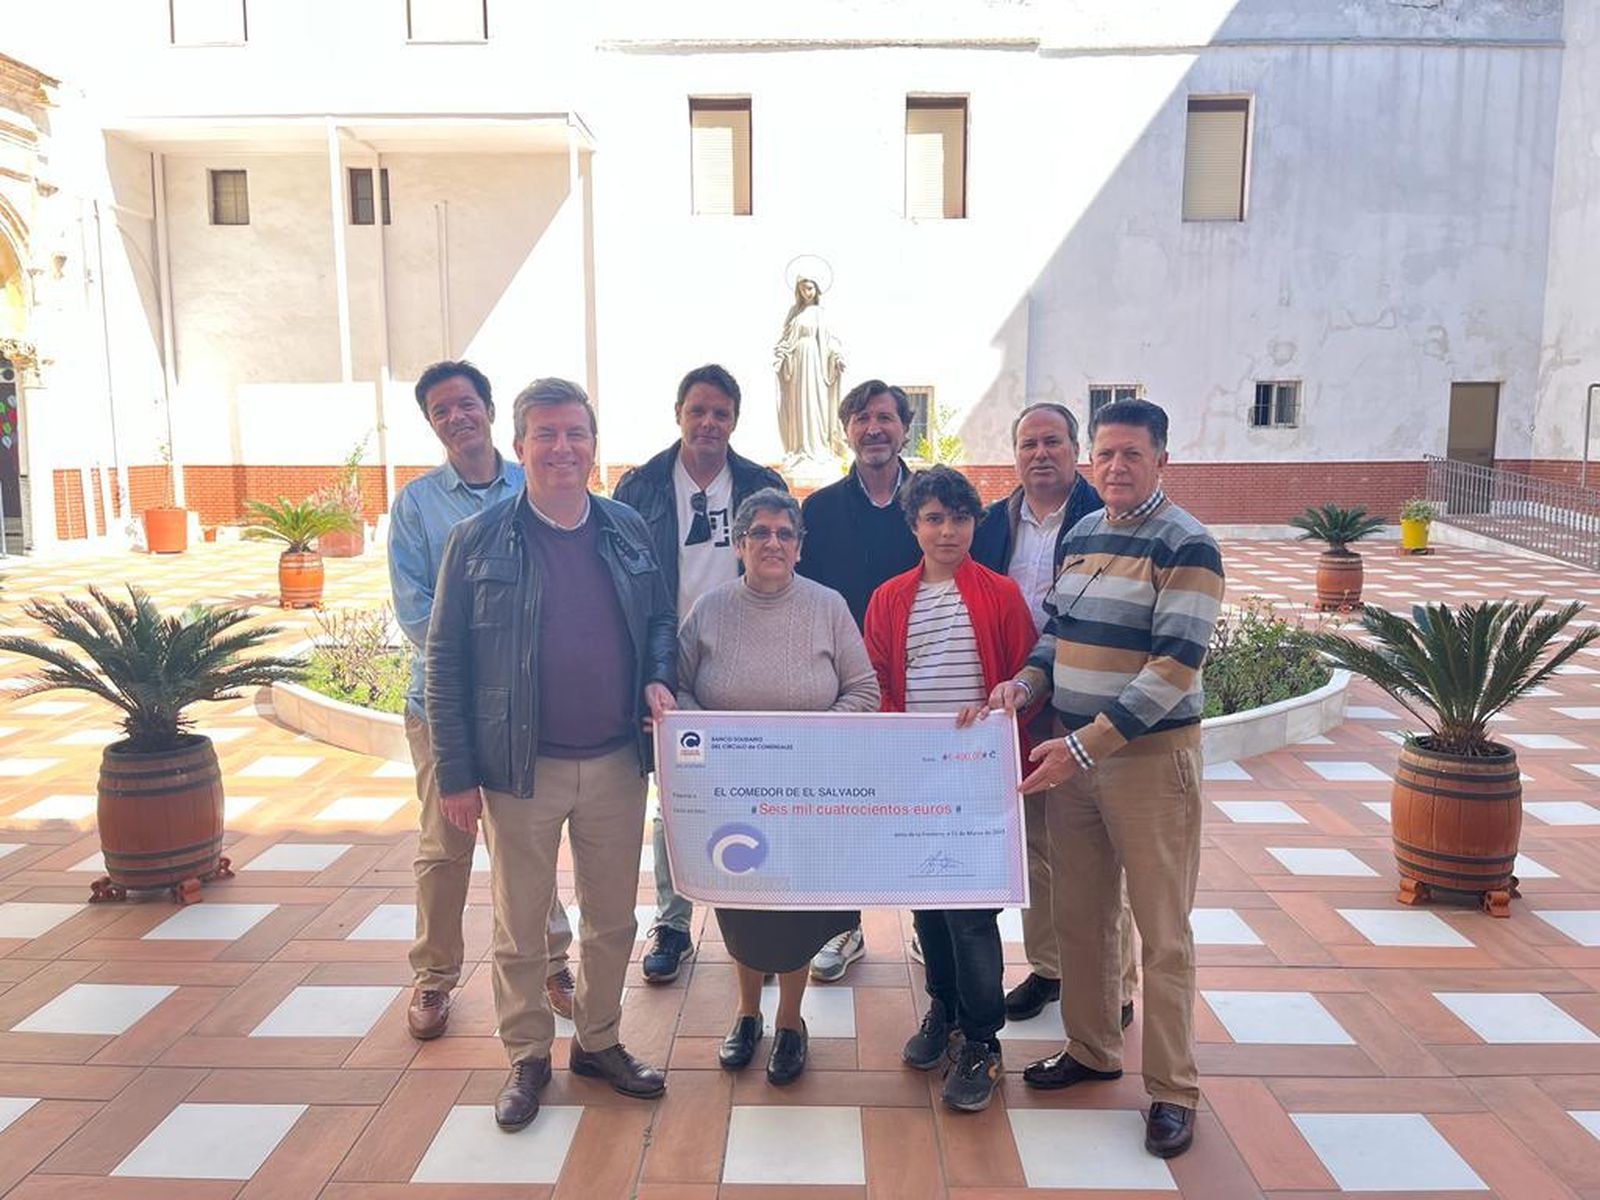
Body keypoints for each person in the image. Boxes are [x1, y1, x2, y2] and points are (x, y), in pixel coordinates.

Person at [425, 377, 676, 1132]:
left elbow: (660, 617)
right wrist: (457, 774)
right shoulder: (478, 540)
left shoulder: (627, 528)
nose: (562, 448)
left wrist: (659, 675)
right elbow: (445, 661)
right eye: (547, 434)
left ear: (593, 446)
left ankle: (598, 1041)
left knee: (612, 920)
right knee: (521, 924)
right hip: (517, 769)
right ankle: (527, 1055)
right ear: (520, 445)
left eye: (576, 434)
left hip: (615, 762)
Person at [986, 398, 1223, 1160]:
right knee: (1082, 918)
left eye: (1133, 454)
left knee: (1163, 933)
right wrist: (1025, 685)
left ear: (1162, 460)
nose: (1117, 467)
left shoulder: (1187, 543)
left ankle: (1173, 1090)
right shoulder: (1085, 532)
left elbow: (1174, 667)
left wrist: (1085, 746)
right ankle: (1092, 1048)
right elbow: (1058, 633)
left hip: (1148, 763)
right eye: (1108, 454)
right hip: (1074, 759)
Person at [387, 360, 575, 1040]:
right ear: (431, 423)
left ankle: (553, 963)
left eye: (465, 403)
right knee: (444, 847)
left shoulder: (536, 480)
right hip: (446, 706)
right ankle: (434, 977)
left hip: (528, 707)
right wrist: (485, 667)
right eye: (440, 410)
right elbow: (417, 611)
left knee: (527, 840)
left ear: (491, 411)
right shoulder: (417, 505)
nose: (456, 417)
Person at [678, 488, 879, 1084]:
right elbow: (679, 689)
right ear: (739, 545)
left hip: (806, 794)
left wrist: (808, 740)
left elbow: (864, 691)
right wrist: (715, 739)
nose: (773, 543)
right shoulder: (710, 609)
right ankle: (746, 1014)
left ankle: (790, 1020)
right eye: (759, 533)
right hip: (731, 794)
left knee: (793, 913)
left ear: (799, 547)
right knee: (742, 907)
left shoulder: (827, 606)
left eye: (784, 533)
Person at [864, 466, 1036, 1113]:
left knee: (971, 912)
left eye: (959, 518)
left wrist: (1001, 701)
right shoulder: (889, 599)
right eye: (933, 518)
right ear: (913, 525)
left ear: (974, 524)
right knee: (928, 905)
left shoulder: (1000, 594)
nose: (947, 530)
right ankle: (944, 1009)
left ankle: (983, 1040)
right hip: (914, 778)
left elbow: (1022, 675)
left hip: (977, 782)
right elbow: (878, 683)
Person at [613, 364, 787, 986]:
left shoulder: (762, 484)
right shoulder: (641, 487)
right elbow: (622, 580)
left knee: (756, 790)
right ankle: (673, 921)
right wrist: (643, 668)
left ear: (734, 421)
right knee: (676, 795)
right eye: (698, 410)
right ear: (679, 414)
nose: (709, 422)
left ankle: (761, 923)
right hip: (669, 659)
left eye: (721, 413)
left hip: (746, 656)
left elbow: (785, 567)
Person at [971, 403, 1138, 1030]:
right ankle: (1049, 967)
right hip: (1016, 700)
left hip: (1086, 704)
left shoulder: (1105, 517)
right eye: (1028, 443)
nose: (1040, 453)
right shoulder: (992, 523)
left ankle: (1116, 983)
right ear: (1014, 454)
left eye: (1053, 442)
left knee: (1100, 851)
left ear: (1076, 451)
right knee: (1037, 844)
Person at [795, 379, 922, 981]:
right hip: (842, 680)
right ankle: (842, 927)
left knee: (918, 803)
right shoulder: (819, 510)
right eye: (862, 418)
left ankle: (929, 923)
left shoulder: (930, 500)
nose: (874, 428)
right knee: (838, 806)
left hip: (920, 674)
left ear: (904, 428)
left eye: (886, 418)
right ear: (846, 430)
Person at [773, 276, 847, 463]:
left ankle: (818, 446)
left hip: (815, 361)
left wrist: (837, 357)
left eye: (810, 288)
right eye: (803, 289)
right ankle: (798, 447)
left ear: (817, 289)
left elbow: (830, 340)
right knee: (798, 405)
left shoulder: (820, 313)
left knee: (816, 403)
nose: (807, 292)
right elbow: (785, 339)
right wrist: (782, 356)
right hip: (796, 363)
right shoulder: (794, 312)